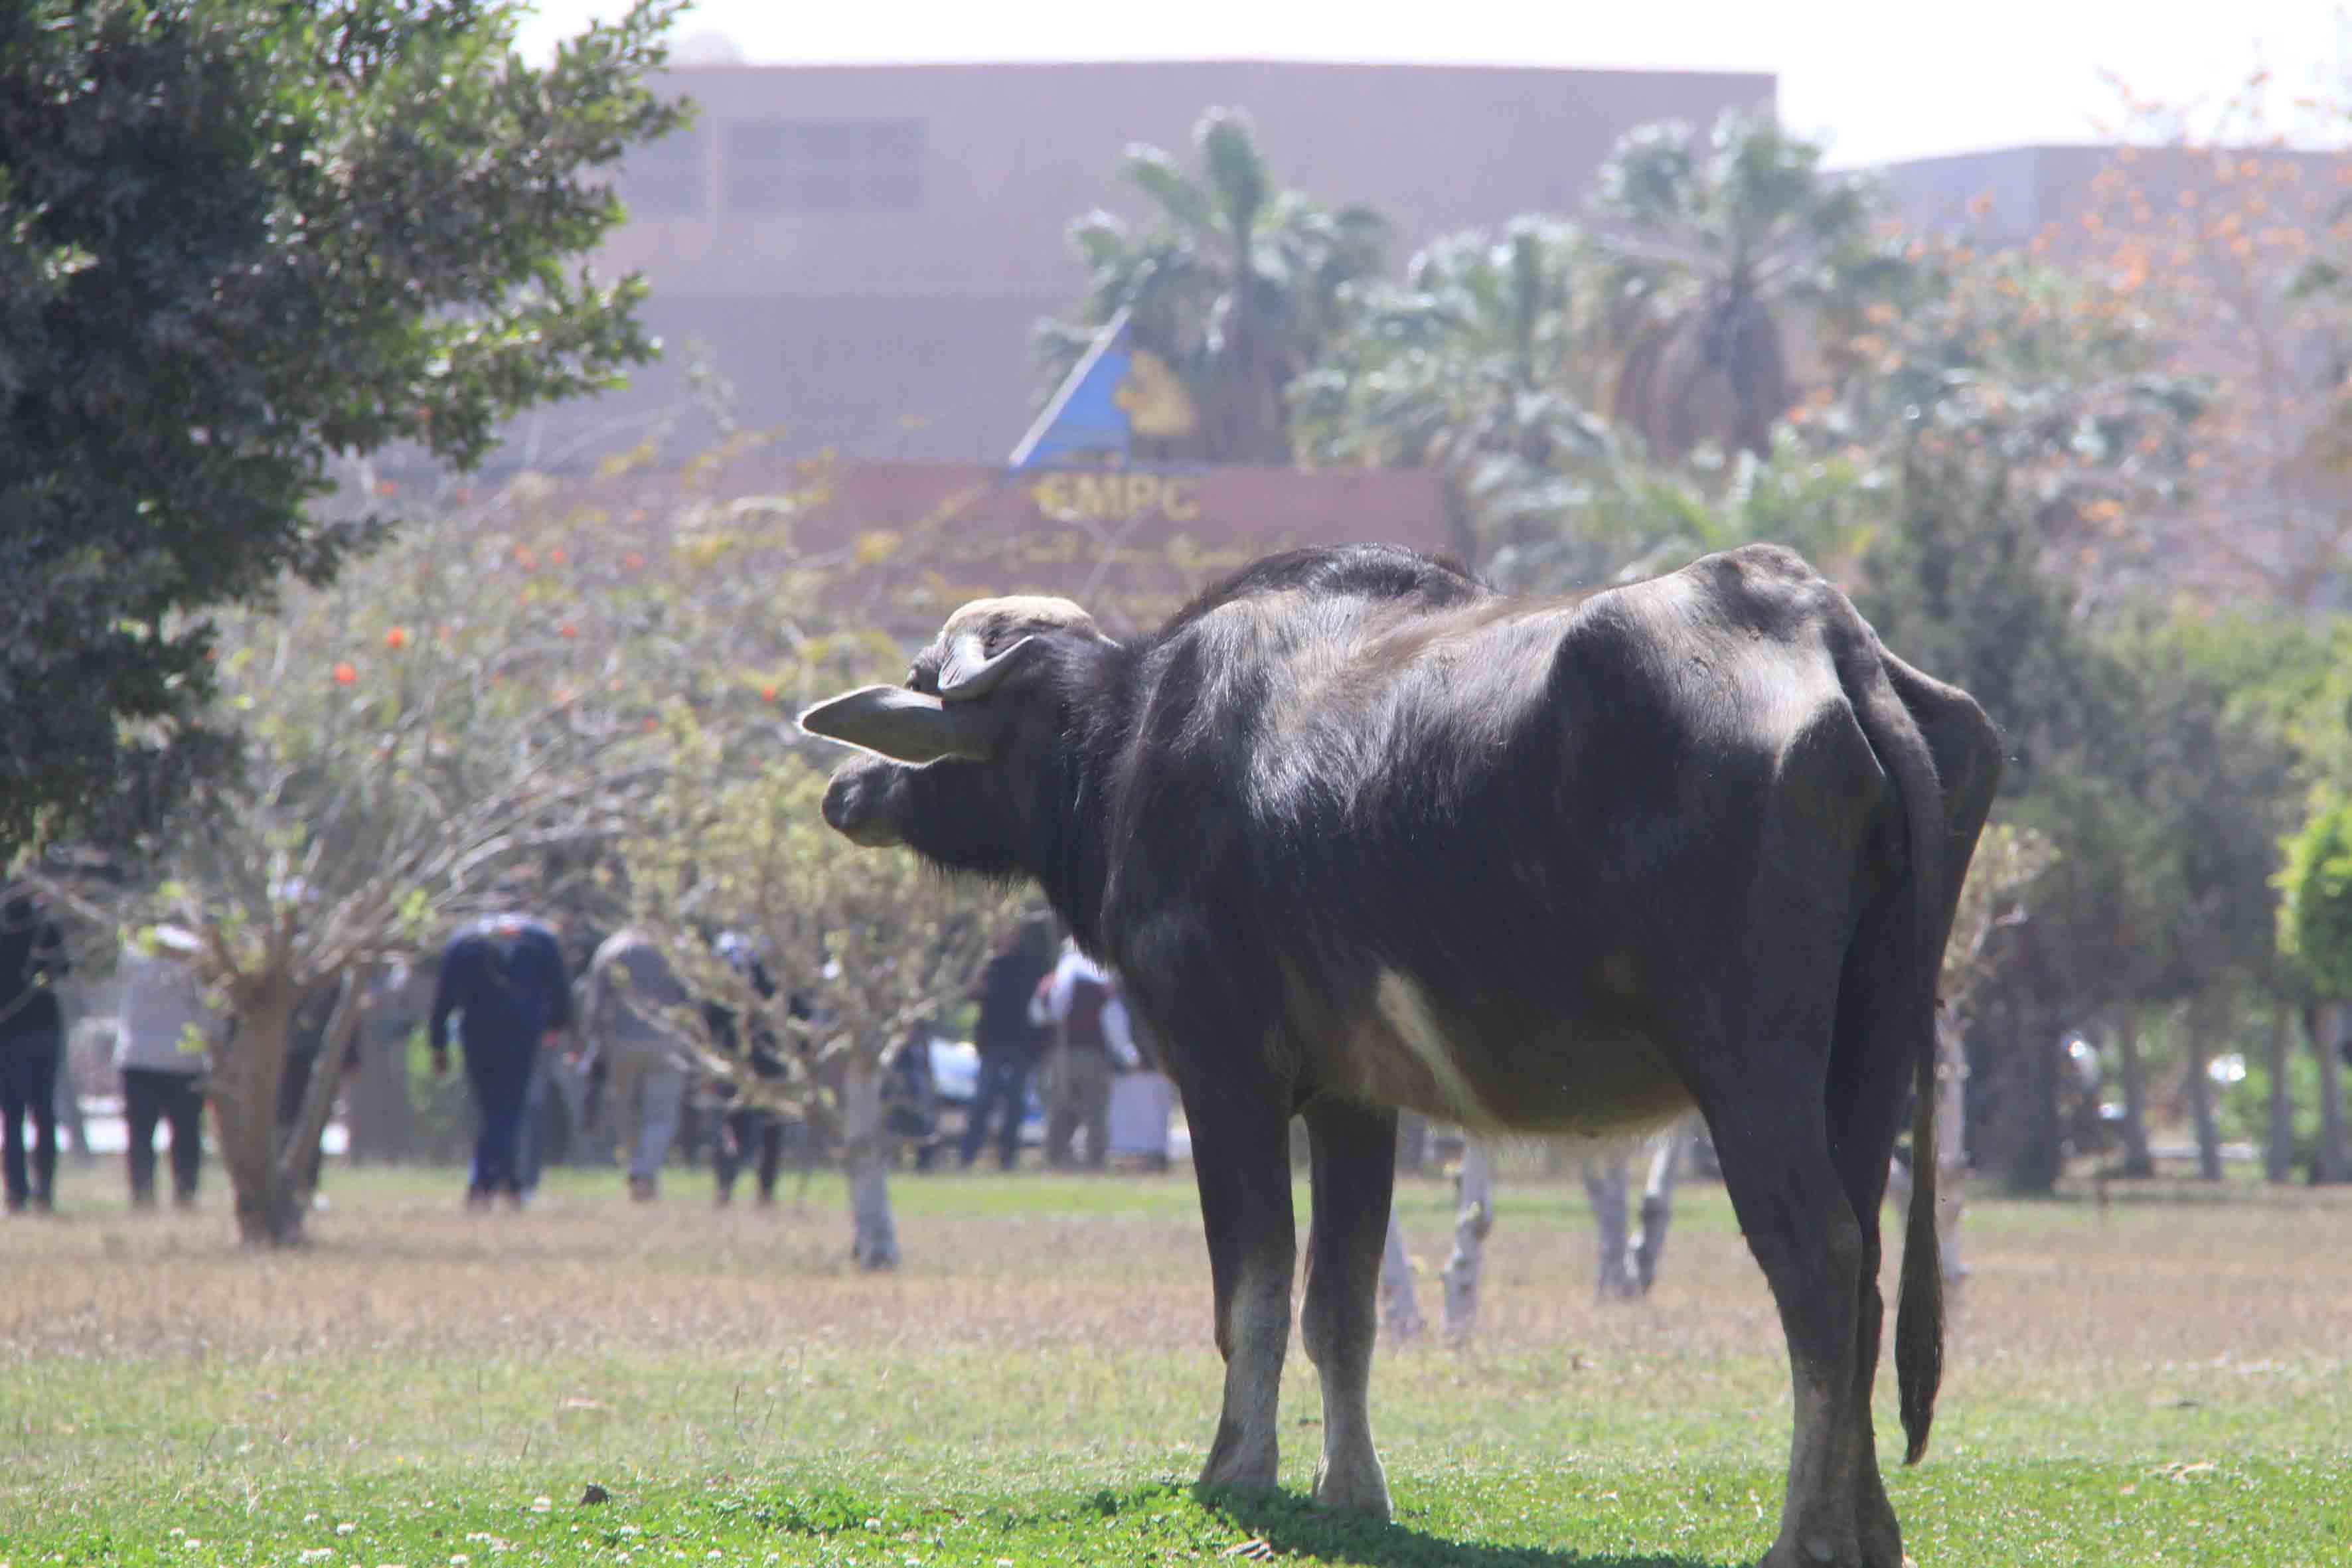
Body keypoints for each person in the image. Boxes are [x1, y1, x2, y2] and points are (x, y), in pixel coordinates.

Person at [430, 909, 573, 1210]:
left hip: (477, 1031)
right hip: (521, 1033)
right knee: (507, 1108)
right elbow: (560, 990)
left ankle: (501, 1182)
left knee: (492, 1107)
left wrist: (438, 1042)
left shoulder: (466, 938)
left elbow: (443, 996)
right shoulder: (540, 938)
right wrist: (556, 1025)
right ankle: (489, 1182)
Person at [582, 927, 690, 1202]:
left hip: (619, 1042)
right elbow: (691, 999)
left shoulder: (611, 949)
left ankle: (638, 1172)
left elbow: (594, 1003)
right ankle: (644, 1172)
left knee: (626, 1112)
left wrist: (592, 1044)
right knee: (661, 1115)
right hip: (666, 1042)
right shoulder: (675, 948)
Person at [115, 926, 217, 1209]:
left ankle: (143, 1197)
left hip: (140, 1058)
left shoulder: (133, 956)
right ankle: (185, 1195)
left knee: (141, 1137)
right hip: (182, 1062)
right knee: (185, 1136)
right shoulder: (197, 960)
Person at [1030, 938, 1138, 1170]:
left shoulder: (1051, 985)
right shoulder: (1100, 989)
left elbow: (1037, 1016)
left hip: (1060, 1056)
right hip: (1093, 1057)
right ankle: (1095, 1161)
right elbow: (1115, 1026)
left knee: (1059, 1110)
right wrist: (1129, 1055)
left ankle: (1054, 1158)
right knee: (1095, 1112)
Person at [706, 931, 796, 1208]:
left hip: (736, 1064)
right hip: (768, 1065)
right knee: (769, 1130)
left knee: (733, 1128)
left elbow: (709, 1025)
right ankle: (763, 1191)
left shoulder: (722, 987)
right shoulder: (772, 983)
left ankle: (727, 1187)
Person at [959, 918, 1054, 1170]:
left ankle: (1007, 1156)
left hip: (1021, 1044)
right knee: (983, 1101)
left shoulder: (1031, 965)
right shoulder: (989, 965)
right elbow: (969, 994)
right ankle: (968, 1154)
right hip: (991, 1044)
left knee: (1015, 1102)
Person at [1, 889, 70, 1214]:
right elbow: (63, 968)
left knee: (13, 1117)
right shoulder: (44, 927)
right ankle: (45, 1192)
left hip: (11, 1035)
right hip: (44, 1029)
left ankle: (17, 1193)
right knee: (44, 1113)